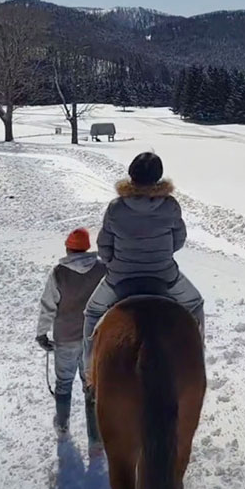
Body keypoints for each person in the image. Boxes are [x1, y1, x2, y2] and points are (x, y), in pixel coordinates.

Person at [82, 152, 205, 374]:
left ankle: (89, 371)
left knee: (92, 312)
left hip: (120, 278)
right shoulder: (170, 205)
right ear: (157, 177)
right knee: (195, 304)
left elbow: (104, 245)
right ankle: (197, 361)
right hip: (164, 277)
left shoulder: (116, 207)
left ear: (132, 175)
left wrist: (113, 263)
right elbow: (178, 240)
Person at [35, 227, 106, 442]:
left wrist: (42, 333)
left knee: (64, 383)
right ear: (86, 248)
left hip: (65, 338)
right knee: (92, 387)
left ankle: (63, 426)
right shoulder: (102, 270)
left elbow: (48, 306)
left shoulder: (58, 273)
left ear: (68, 248)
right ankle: (95, 438)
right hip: (94, 339)